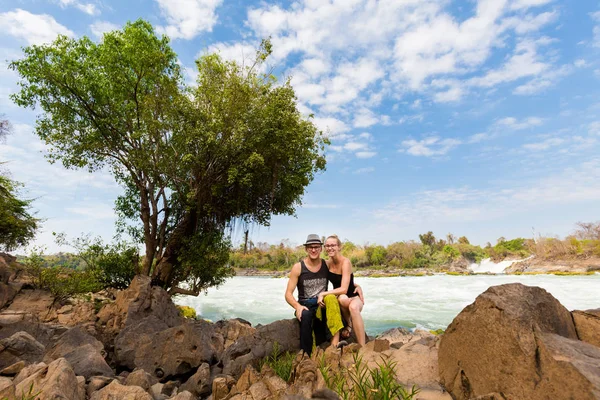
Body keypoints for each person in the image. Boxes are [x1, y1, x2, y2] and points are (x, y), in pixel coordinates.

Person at [284, 234, 331, 356]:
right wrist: (297, 307)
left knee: (327, 315)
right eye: (310, 247)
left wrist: (355, 286)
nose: (313, 250)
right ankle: (306, 355)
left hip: (322, 304)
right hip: (305, 305)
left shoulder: (327, 265)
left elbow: (340, 279)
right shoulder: (298, 267)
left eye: (316, 247)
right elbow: (288, 294)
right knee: (306, 316)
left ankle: (324, 353)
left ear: (321, 248)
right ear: (306, 249)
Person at [317, 234, 366, 346]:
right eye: (327, 246)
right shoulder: (328, 263)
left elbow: (344, 289)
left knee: (352, 306)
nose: (330, 248)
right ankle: (348, 323)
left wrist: (323, 293)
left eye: (333, 245)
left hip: (353, 296)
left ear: (339, 247)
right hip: (341, 298)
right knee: (342, 299)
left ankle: (362, 347)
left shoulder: (345, 262)